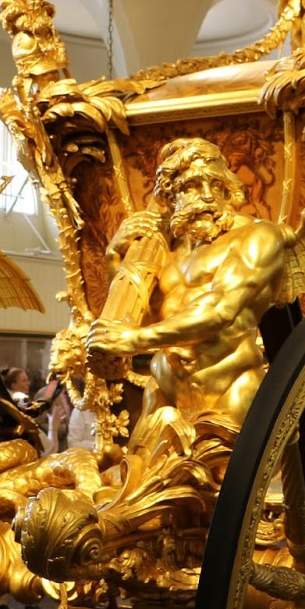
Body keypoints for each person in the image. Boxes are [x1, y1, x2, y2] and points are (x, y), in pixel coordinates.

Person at [85, 137, 288, 428]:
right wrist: (114, 258)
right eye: (192, 186)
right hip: (166, 388)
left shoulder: (257, 237)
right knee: (141, 471)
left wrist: (134, 340)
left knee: (221, 474)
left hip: (228, 384)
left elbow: (219, 311)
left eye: (215, 185)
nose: (206, 196)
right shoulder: (168, 248)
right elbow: (152, 316)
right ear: (171, 197)